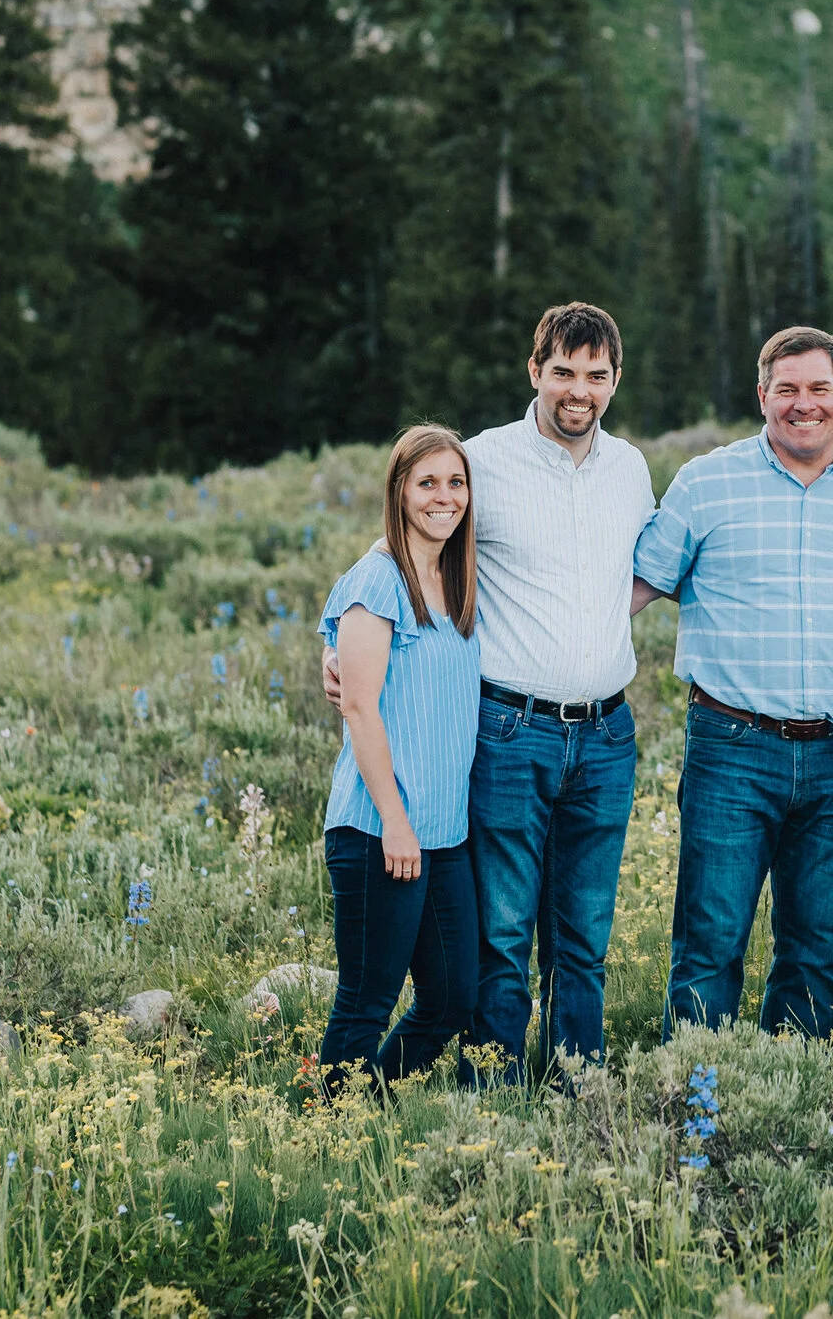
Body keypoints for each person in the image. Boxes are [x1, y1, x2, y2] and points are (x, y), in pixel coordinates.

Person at [326, 304, 655, 1085]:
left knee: (585, 935)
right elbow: (392, 545)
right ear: (535, 369)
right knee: (503, 933)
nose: (580, 390)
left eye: (597, 375)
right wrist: (334, 644)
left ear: (615, 380)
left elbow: (637, 569)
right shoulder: (482, 460)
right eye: (564, 372)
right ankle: (495, 1093)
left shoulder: (631, 469)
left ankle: (579, 1085)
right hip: (512, 730)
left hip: (606, 735)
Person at [632, 326, 833, 1039]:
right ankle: (690, 1105)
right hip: (731, 746)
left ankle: (789, 1114)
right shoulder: (705, 481)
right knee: (709, 943)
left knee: (814, 951)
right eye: (787, 389)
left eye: (818, 388)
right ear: (762, 395)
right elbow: (629, 587)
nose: (802, 404)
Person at [315, 424, 483, 1086]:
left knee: (449, 999)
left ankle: (369, 1105)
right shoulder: (377, 581)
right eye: (427, 482)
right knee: (365, 1002)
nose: (444, 497)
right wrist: (395, 820)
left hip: (444, 833)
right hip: (380, 828)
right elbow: (358, 705)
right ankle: (335, 1136)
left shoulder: (457, 576)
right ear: (399, 490)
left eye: (456, 481)